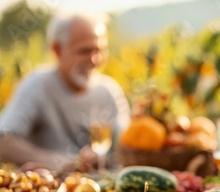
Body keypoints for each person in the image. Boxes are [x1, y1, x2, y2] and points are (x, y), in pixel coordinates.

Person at [0, 12, 130, 172]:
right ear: (57, 50)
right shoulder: (37, 86)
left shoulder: (109, 90)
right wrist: (59, 162)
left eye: (100, 50)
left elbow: (127, 146)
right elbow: (3, 141)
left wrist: (104, 158)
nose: (95, 60)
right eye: (84, 51)